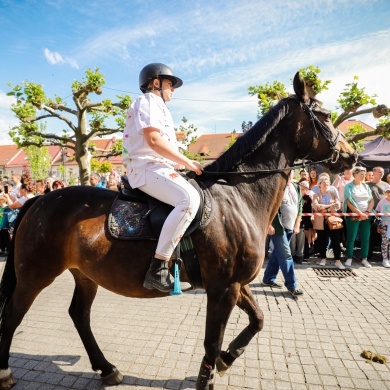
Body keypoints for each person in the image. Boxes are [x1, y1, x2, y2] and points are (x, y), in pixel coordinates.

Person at [122, 62, 203, 293]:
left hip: (157, 166)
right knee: (189, 200)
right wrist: (187, 162)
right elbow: (154, 141)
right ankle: (158, 268)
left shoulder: (158, 106)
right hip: (145, 167)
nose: (173, 89)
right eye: (170, 84)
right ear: (155, 83)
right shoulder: (147, 101)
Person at [262, 170, 304, 296]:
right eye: (287, 171)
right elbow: (268, 206)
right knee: (286, 255)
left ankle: (268, 279)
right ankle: (292, 286)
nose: (289, 173)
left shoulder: (296, 187)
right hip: (278, 228)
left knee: (277, 254)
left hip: (290, 227)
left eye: (291, 171)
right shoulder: (277, 185)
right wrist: (269, 224)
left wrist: (297, 224)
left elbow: (300, 206)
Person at [344, 166, 374, 267]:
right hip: (353, 216)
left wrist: (367, 212)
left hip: (366, 216)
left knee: (366, 238)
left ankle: (364, 258)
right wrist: (359, 213)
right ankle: (349, 257)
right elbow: (348, 201)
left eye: (364, 174)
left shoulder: (366, 186)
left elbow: (371, 200)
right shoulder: (348, 186)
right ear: (355, 174)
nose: (364, 176)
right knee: (351, 238)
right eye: (362, 174)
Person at [312, 176, 344, 269]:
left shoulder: (333, 194)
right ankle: (323, 258)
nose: (325, 184)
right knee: (322, 241)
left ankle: (337, 260)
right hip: (321, 222)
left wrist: (325, 208)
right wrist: (330, 207)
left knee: (336, 241)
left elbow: (337, 205)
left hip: (333, 221)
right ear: (319, 184)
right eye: (323, 182)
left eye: (327, 182)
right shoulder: (316, 195)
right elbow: (316, 206)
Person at [367, 166, 387, 260]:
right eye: (379, 172)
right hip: (372, 213)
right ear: (373, 173)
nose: (381, 174)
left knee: (384, 236)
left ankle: (382, 256)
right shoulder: (367, 185)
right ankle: (368, 255)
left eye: (382, 172)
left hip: (384, 213)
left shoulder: (386, 185)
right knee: (371, 235)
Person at [299, 180, 317, 259]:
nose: (302, 191)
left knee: (306, 238)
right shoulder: (297, 197)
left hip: (305, 221)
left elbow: (310, 211)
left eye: (304, 189)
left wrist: (309, 223)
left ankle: (306, 255)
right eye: (301, 189)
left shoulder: (308, 199)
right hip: (297, 220)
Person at [376, 185, 390, 268]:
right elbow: (378, 214)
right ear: (385, 193)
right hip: (384, 225)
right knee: (385, 242)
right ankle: (385, 259)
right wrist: (379, 225)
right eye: (388, 192)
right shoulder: (382, 202)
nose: (389, 194)